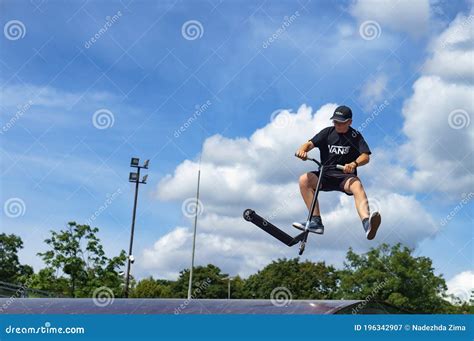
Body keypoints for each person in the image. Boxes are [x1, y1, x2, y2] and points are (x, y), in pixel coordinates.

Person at [293, 105, 381, 240]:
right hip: (325, 175)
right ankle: (316, 222)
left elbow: (365, 156)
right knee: (304, 179)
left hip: (344, 177)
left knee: (357, 185)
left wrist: (354, 164)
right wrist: (302, 150)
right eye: (335, 122)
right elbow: (309, 144)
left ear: (349, 122)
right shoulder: (327, 132)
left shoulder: (355, 136)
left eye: (341, 122)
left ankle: (366, 224)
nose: (337, 125)